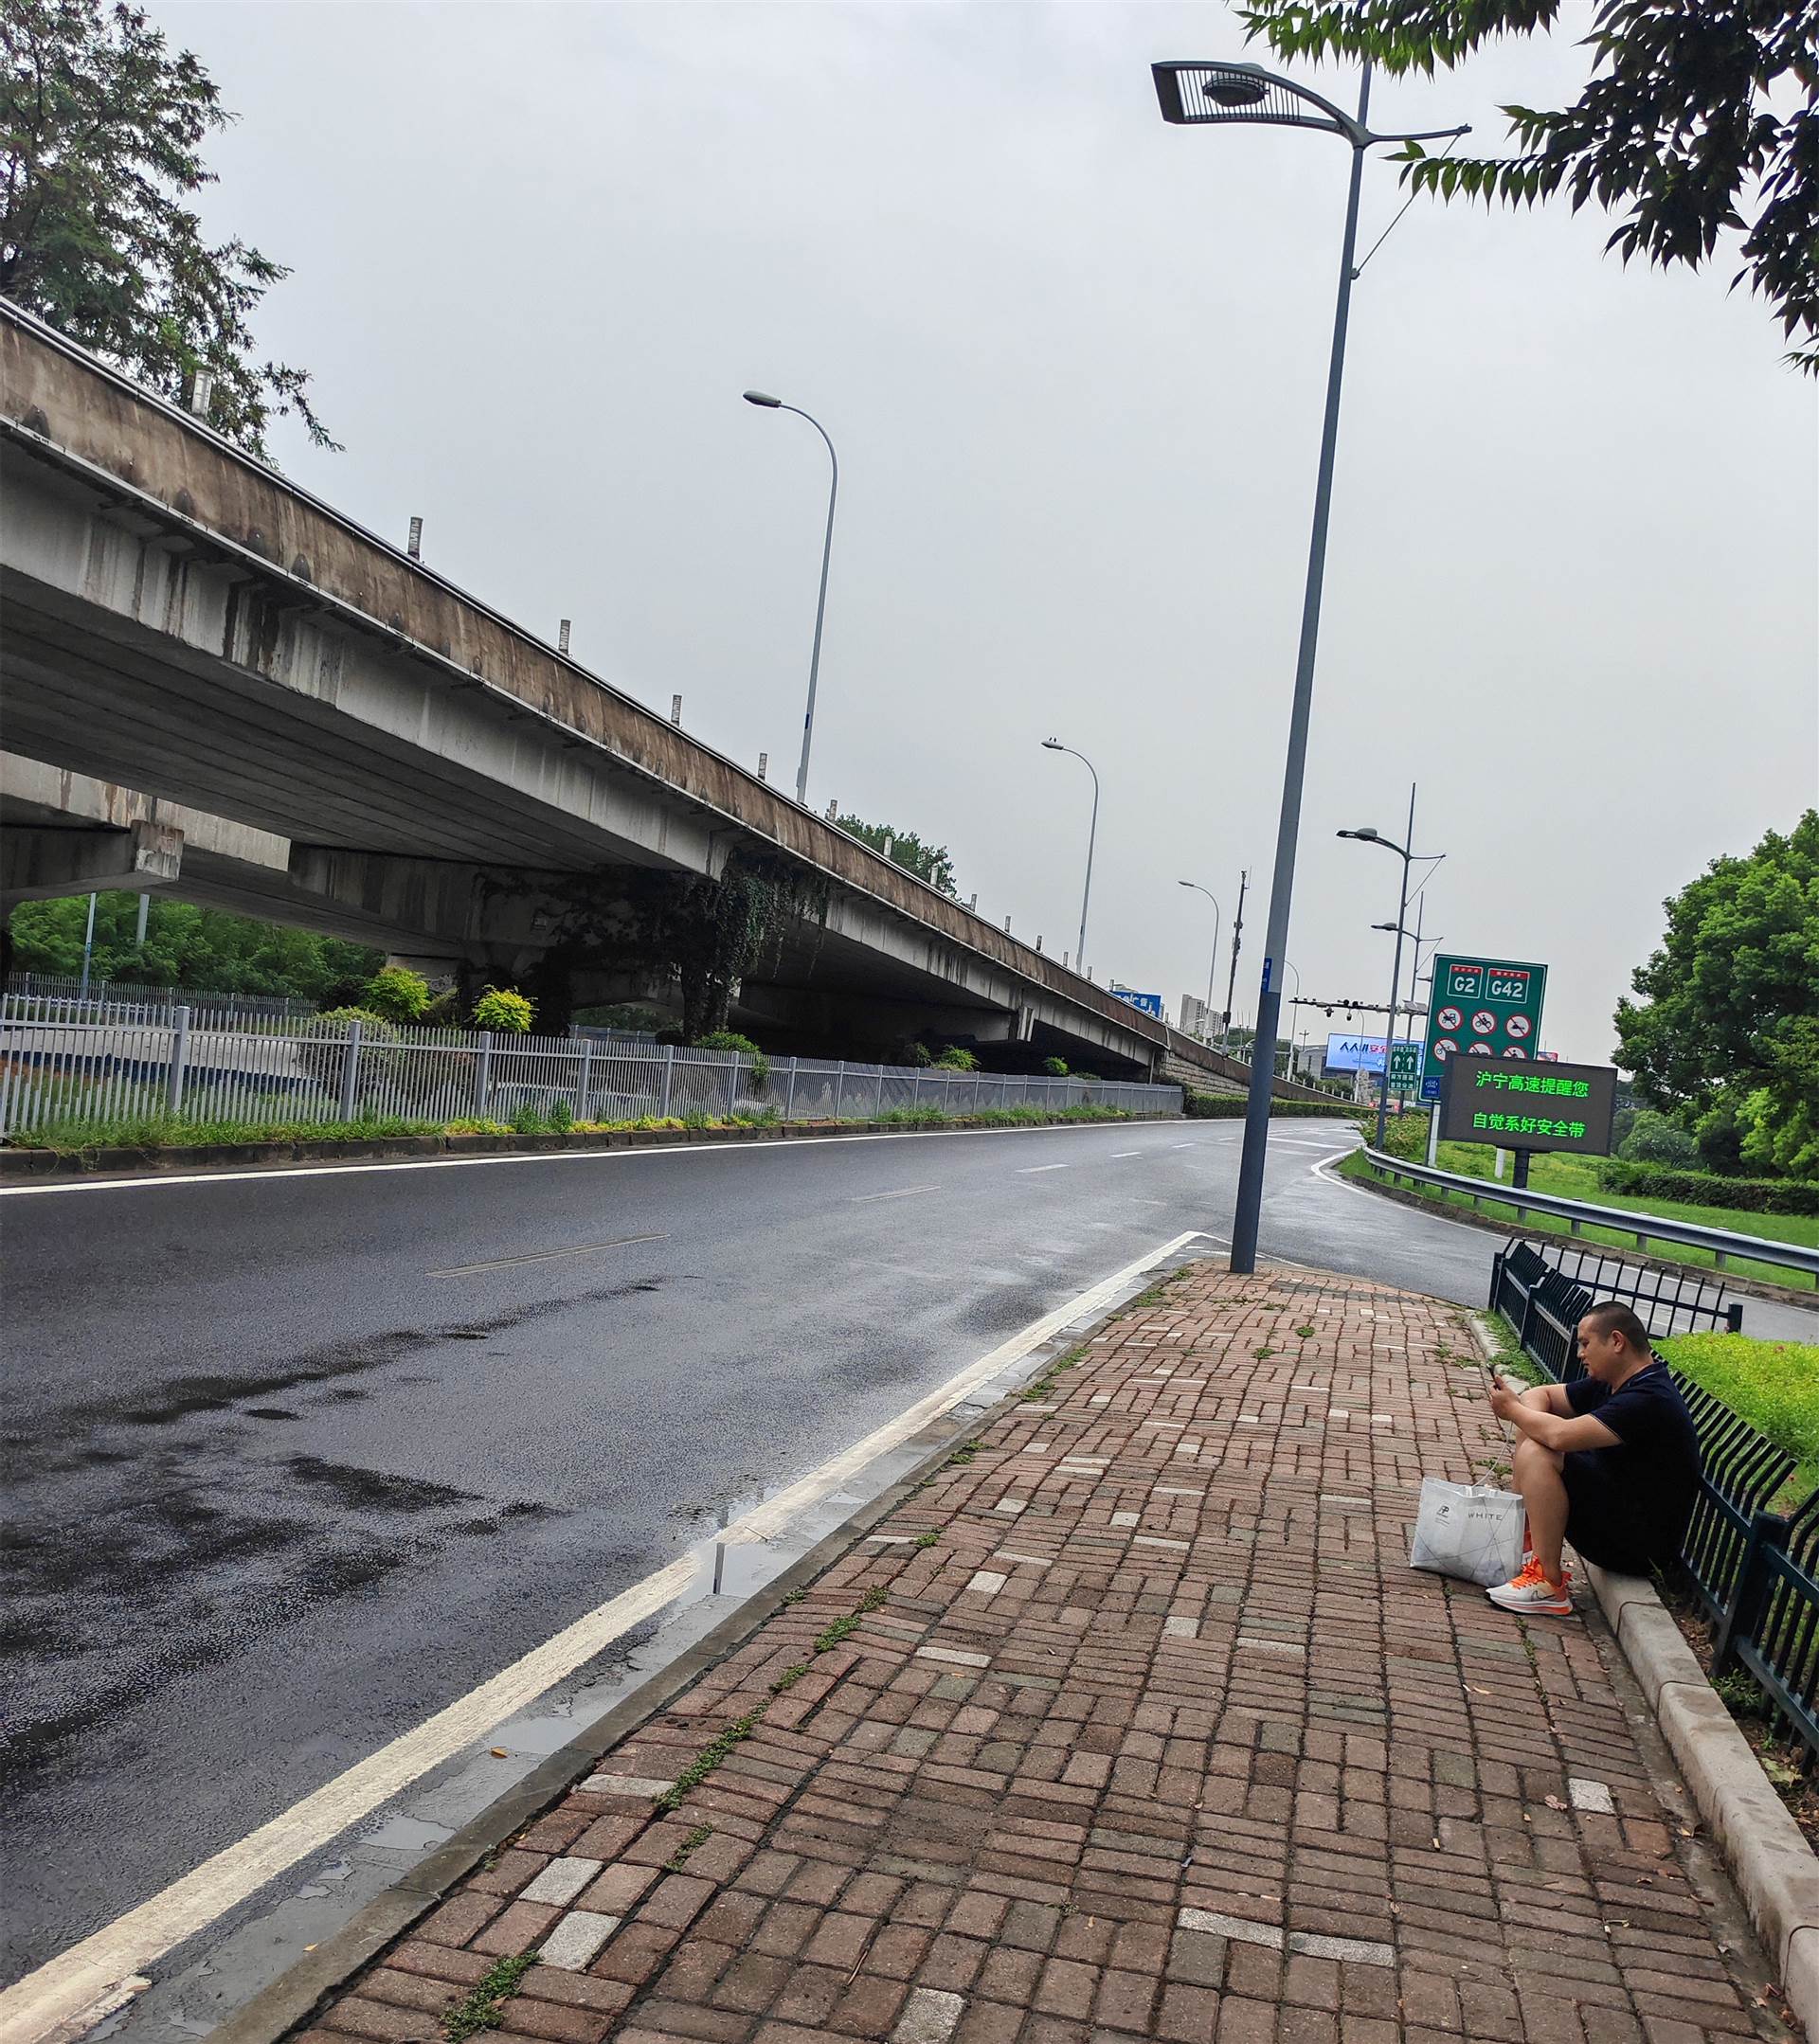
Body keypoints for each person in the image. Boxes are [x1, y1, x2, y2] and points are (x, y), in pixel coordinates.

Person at [1484, 1300, 1701, 1616]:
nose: (1579, 1354)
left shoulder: (1649, 1398)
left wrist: (1514, 1410)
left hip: (1637, 1546)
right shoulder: (1617, 1382)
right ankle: (1525, 1543)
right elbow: (1540, 1395)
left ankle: (1548, 1583)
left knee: (1538, 1449)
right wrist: (1526, 1414)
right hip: (1617, 1513)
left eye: (1585, 1343)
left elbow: (1559, 1436)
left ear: (1616, 1342)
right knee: (1536, 1433)